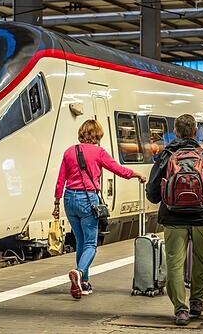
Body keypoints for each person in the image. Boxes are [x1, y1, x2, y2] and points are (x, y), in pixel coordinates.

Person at [146, 114, 203, 326]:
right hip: (202, 216)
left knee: (175, 264)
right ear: (196, 131)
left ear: (175, 132)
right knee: (201, 260)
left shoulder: (167, 154)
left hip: (173, 216)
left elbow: (152, 193)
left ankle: (180, 310)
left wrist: (164, 196)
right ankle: (197, 302)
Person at [53, 119, 146, 300]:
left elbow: (60, 180)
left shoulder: (69, 151)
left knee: (80, 241)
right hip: (88, 200)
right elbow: (119, 170)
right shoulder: (99, 152)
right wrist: (137, 174)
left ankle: (84, 282)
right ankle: (79, 272)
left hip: (69, 199)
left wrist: (56, 203)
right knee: (90, 244)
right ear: (97, 135)